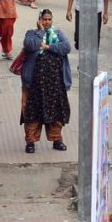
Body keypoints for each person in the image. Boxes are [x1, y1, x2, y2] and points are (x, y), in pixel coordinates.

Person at [20, 9, 72, 153]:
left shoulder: (58, 34)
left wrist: (48, 47)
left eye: (49, 19)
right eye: (44, 19)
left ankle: (57, 140)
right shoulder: (32, 34)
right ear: (39, 20)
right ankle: (30, 142)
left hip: (55, 83)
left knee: (56, 111)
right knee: (31, 112)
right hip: (34, 83)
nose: (47, 22)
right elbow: (30, 45)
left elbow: (66, 47)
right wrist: (41, 32)